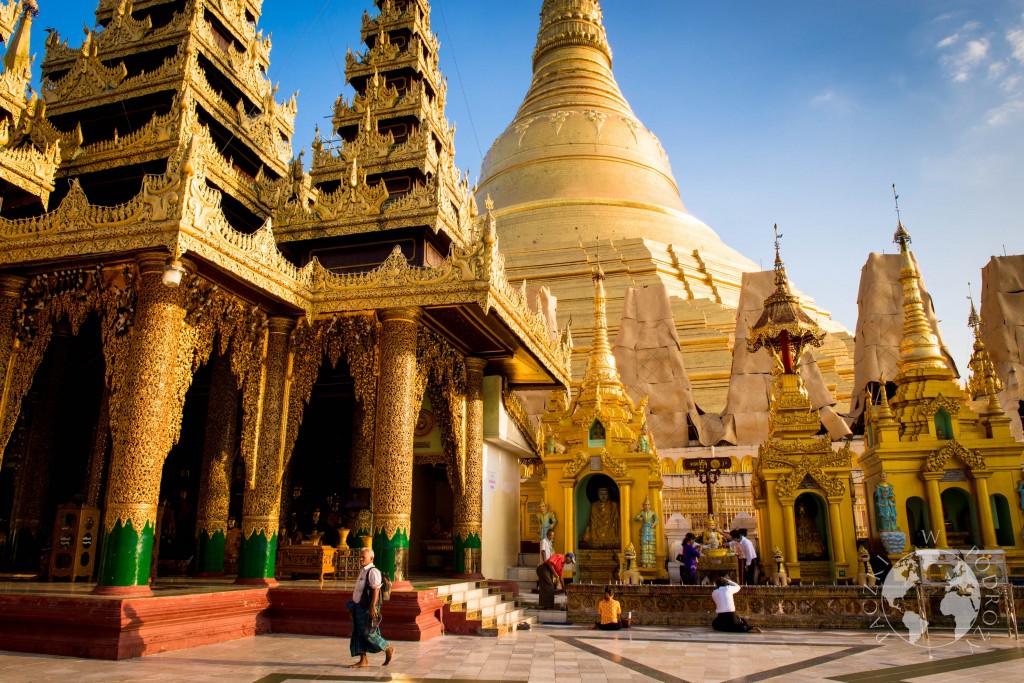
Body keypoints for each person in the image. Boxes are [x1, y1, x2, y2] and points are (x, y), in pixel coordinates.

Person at [345, 548, 394, 668]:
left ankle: (387, 648)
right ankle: (363, 660)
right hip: (358, 606)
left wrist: (372, 607)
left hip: (367, 607)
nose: (361, 559)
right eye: (360, 557)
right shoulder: (363, 571)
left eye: (364, 557)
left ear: (371, 559)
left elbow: (376, 589)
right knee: (358, 633)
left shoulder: (373, 571)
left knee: (369, 633)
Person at [633, 497, 657, 568]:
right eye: (645, 505)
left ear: (650, 505)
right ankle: (644, 562)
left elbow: (656, 520)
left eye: (648, 505)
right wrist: (639, 518)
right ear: (643, 506)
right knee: (644, 546)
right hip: (644, 529)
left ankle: (650, 562)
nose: (647, 506)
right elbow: (635, 517)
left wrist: (654, 524)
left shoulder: (653, 512)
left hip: (650, 530)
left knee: (650, 546)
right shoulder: (642, 512)